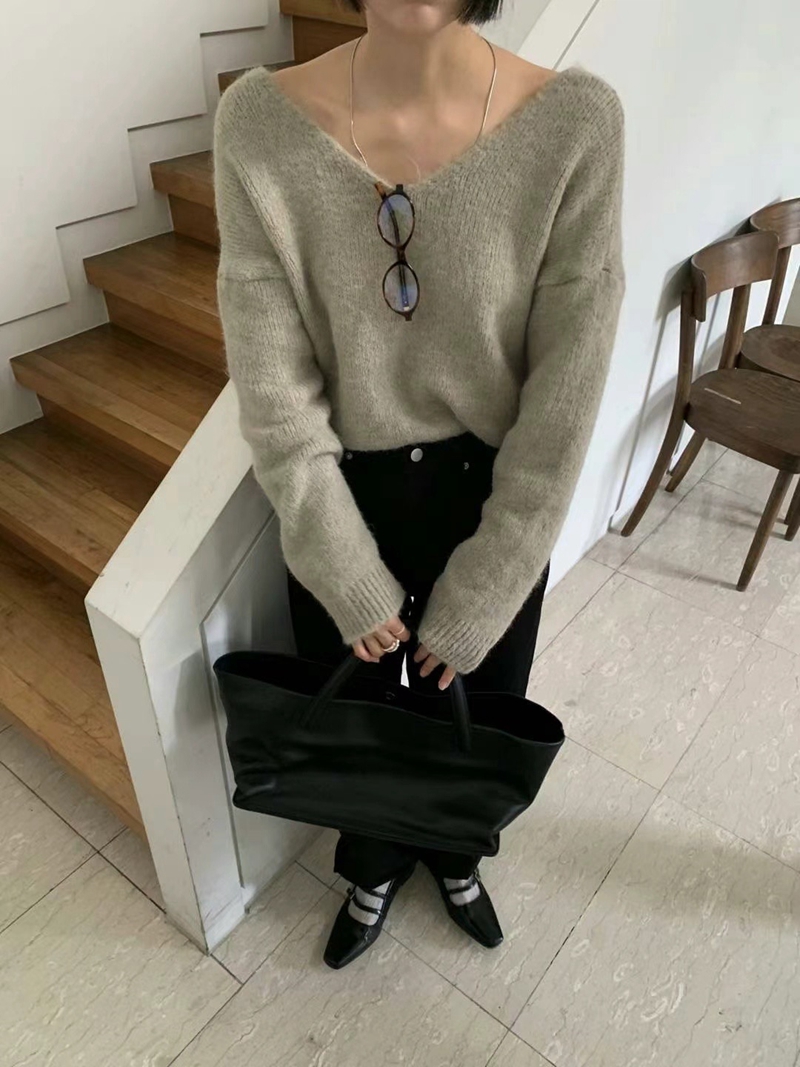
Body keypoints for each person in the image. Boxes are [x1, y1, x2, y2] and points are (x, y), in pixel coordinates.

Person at [212, 0, 625, 970]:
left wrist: (491, 578)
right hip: (340, 499)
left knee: (477, 711)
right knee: (353, 718)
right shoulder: (258, 124)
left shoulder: (574, 123)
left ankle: (455, 854)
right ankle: (370, 864)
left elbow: (566, 390)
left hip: (493, 500)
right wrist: (339, 565)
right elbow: (271, 384)